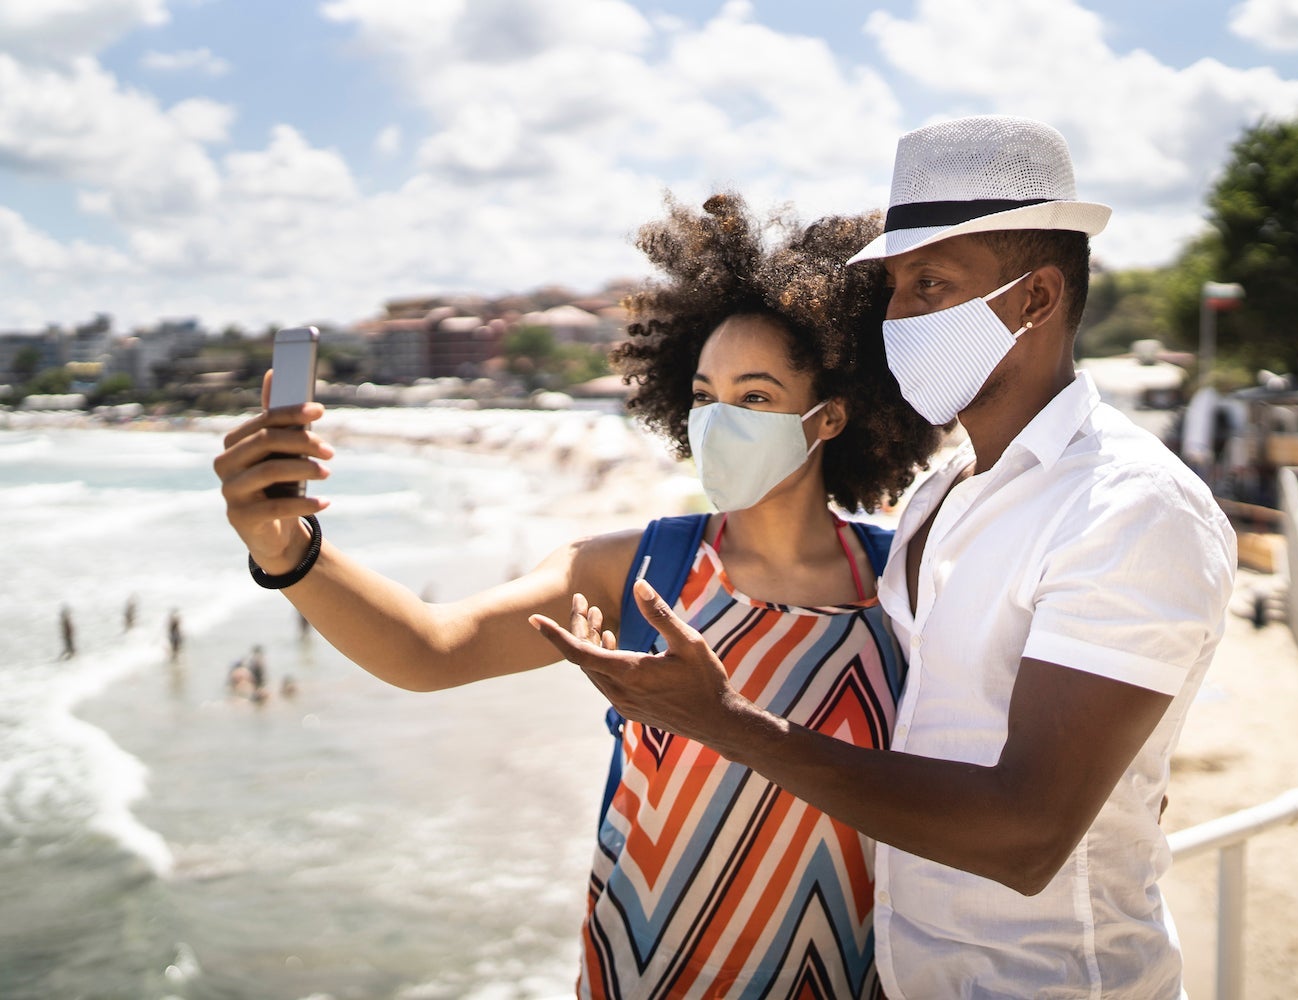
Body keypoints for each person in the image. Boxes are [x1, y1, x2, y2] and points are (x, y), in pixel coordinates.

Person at [533, 117, 1238, 998]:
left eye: (932, 284)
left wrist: (725, 721)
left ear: (1038, 298)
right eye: (895, 288)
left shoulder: (1130, 507)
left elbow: (1026, 836)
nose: (899, 316)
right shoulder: (941, 502)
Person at [211, 192, 941, 998]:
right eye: (704, 397)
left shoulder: (909, 583)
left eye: (757, 398)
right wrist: (290, 553)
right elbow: (429, 648)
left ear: (832, 416)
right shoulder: (633, 570)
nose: (719, 422)